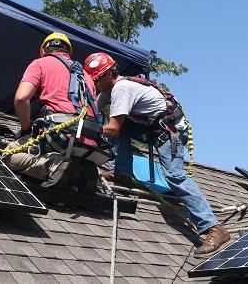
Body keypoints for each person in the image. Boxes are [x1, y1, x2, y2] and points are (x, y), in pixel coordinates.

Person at [83, 52, 230, 258]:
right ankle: (122, 173)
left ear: (108, 75)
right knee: (114, 126)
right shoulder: (109, 92)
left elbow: (112, 129)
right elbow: (93, 113)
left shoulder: (122, 89)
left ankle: (214, 228)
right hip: (152, 129)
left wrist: (82, 130)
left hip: (171, 132)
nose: (96, 84)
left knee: (174, 176)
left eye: (97, 79)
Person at [1, 32, 101, 194]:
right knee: (68, 148)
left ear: (43, 50)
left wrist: (26, 129)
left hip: (60, 135)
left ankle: (54, 165)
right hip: (89, 140)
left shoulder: (40, 63)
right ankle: (79, 169)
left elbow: (21, 98)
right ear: (68, 52)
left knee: (8, 154)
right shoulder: (86, 77)